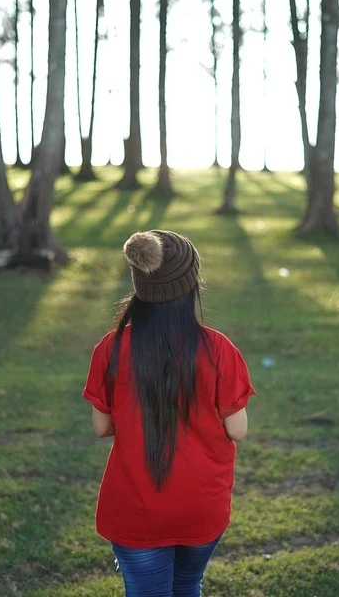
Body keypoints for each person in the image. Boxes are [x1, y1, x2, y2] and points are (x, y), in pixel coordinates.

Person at [82, 230, 256, 597]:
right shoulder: (218, 350)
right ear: (191, 285)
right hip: (201, 507)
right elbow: (237, 430)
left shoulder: (111, 349)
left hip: (136, 510)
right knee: (188, 585)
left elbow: (101, 427)